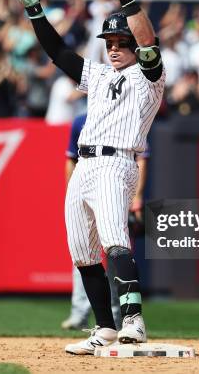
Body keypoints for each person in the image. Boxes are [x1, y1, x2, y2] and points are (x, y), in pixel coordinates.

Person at [17, 0, 165, 354]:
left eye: (121, 41)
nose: (114, 47)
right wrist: (36, 13)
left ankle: (134, 321)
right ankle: (105, 328)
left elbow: (149, 42)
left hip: (118, 163)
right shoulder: (98, 74)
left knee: (116, 240)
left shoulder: (149, 78)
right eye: (110, 41)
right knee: (82, 251)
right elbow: (59, 53)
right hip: (84, 165)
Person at [60, 114, 149, 331]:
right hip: (85, 173)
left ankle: (126, 319)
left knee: (115, 247)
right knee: (82, 255)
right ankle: (97, 322)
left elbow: (142, 158)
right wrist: (73, 191)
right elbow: (71, 157)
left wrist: (136, 197)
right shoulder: (80, 120)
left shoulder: (128, 116)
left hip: (115, 171)